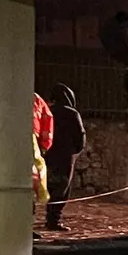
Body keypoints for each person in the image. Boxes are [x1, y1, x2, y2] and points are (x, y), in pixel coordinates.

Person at [43, 84, 86, 231]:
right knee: (62, 188)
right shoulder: (72, 113)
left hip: (47, 154)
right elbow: (80, 135)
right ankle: (53, 220)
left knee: (46, 186)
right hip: (65, 156)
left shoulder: (48, 110)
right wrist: (75, 150)